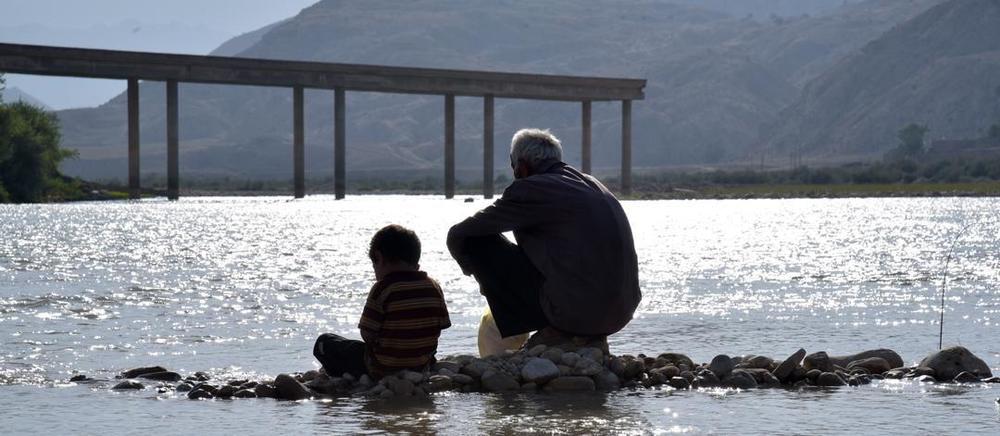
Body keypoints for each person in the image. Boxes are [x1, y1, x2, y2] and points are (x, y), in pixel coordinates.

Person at [447, 128, 641, 352]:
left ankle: (554, 327)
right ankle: (581, 332)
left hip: (577, 314)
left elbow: (460, 233)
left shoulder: (531, 188)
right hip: (621, 313)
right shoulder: (593, 184)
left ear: (521, 167)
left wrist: (478, 277)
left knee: (475, 241)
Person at [313, 224, 451, 379]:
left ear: (379, 257)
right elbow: (441, 326)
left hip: (382, 367)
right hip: (422, 365)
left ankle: (345, 379)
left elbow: (367, 334)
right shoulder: (433, 286)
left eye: (374, 265)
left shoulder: (383, 288)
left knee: (324, 342)